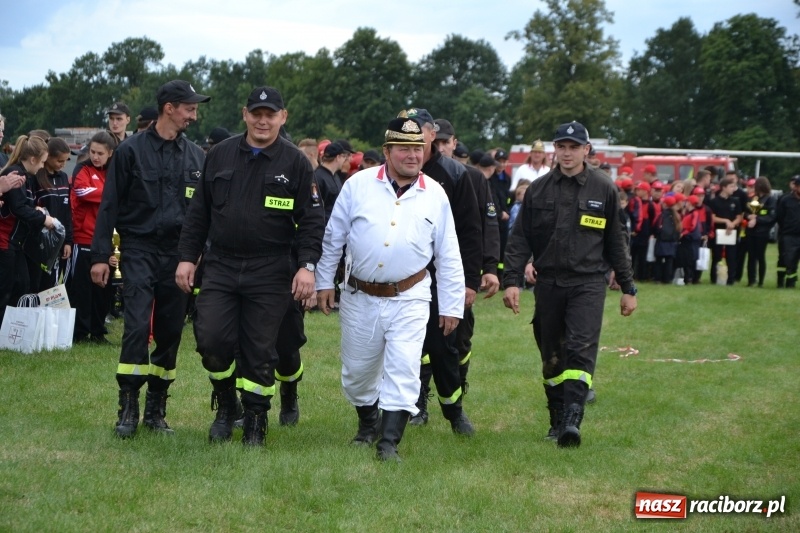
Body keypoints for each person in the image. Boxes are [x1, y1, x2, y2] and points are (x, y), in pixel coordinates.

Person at [176, 85, 324, 447]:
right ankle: (227, 406)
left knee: (260, 348)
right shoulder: (220, 155)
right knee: (210, 338)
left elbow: (312, 220)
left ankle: (256, 419)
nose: (262, 120)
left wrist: (307, 266)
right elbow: (199, 214)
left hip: (271, 266)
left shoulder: (295, 163)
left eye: (270, 114)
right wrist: (186, 257)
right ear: (245, 115)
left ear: (282, 117)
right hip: (222, 264)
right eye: (256, 113)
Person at [315, 116, 464, 462]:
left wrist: (452, 305)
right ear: (387, 151)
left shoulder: (436, 195)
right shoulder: (357, 185)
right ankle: (368, 424)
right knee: (358, 373)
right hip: (359, 296)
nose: (412, 155)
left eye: (418, 148)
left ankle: (389, 441)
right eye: (404, 149)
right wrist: (324, 282)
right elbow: (333, 237)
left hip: (410, 297)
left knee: (404, 366)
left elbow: (449, 253)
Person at [502, 121, 636, 448]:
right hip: (548, 283)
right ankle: (556, 417)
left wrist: (628, 287)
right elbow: (521, 239)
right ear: (554, 149)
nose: (567, 153)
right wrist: (512, 281)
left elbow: (616, 242)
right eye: (561, 146)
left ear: (586, 150)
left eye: (573, 147)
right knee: (551, 354)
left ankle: (573, 418)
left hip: (588, 283)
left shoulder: (603, 188)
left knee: (580, 348)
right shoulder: (539, 189)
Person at [91, 80, 210, 439]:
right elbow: (109, 204)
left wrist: (199, 256)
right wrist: (100, 256)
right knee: (138, 326)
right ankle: (127, 406)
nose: (194, 114)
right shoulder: (129, 151)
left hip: (179, 255)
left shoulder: (195, 156)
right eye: (189, 107)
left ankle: (156, 410)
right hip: (139, 248)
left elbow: (203, 213)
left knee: (172, 331)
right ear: (169, 108)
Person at [400, 108, 482, 436]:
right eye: (407, 133)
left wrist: (471, 281)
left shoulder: (455, 175)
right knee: (404, 346)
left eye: (419, 131)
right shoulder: (391, 173)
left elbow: (471, 231)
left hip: (442, 274)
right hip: (403, 275)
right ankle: (413, 406)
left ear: (433, 134)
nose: (414, 139)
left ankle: (454, 411)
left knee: (444, 347)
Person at [0, 135, 56, 325]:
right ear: (32, 159)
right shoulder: (15, 174)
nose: (42, 167)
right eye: (41, 162)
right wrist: (43, 219)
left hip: (16, 243)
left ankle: (13, 329)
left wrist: (36, 209)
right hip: (5, 240)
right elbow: (18, 208)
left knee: (23, 283)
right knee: (6, 288)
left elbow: (24, 205)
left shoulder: (26, 176)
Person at [69, 131, 116, 344]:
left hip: (106, 239)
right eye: (92, 152)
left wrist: (103, 193)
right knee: (82, 288)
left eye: (100, 153)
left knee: (103, 289)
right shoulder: (82, 168)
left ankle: (98, 331)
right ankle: (80, 332)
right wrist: (109, 195)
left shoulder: (114, 170)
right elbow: (81, 192)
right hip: (82, 237)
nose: (95, 156)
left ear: (110, 153)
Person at [26, 137, 73, 291]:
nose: (63, 165)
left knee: (52, 287)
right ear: (48, 157)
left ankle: (48, 315)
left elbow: (67, 211)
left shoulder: (64, 177)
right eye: (60, 161)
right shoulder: (35, 178)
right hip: (40, 242)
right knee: (36, 286)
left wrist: (68, 241)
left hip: (59, 242)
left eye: (66, 160)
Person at [708, 174, 743, 285]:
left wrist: (732, 223)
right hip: (718, 232)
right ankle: (714, 278)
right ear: (723, 187)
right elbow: (712, 217)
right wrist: (726, 221)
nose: (733, 189)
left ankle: (731, 280)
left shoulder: (735, 201)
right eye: (731, 186)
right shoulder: (714, 201)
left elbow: (739, 216)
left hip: (731, 232)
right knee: (717, 256)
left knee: (731, 257)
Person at [745, 177, 777, 287]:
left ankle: (761, 281)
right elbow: (746, 211)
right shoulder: (754, 198)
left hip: (762, 232)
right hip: (751, 232)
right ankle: (751, 280)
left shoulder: (770, 199)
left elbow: (771, 217)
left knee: (760, 256)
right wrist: (749, 216)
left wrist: (757, 219)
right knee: (751, 256)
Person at [776, 175, 800, 288]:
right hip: (789, 235)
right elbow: (780, 217)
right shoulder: (786, 200)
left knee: (794, 261)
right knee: (788, 260)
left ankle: (792, 282)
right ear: (795, 187)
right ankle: (785, 282)